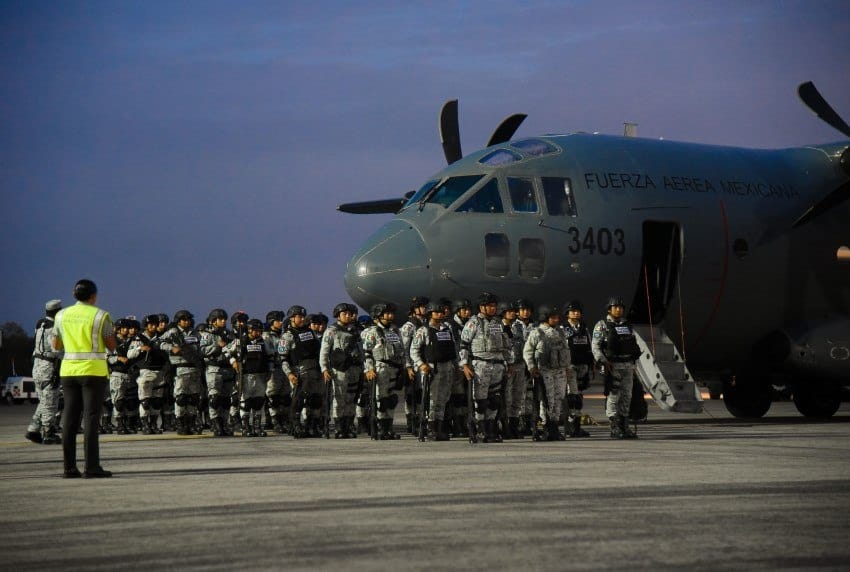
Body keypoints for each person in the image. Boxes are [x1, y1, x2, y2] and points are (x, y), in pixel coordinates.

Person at [52, 279, 116, 478]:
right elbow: (111, 344)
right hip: (93, 372)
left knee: (69, 420)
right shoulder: (100, 315)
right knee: (90, 419)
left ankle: (69, 468)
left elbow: (56, 345)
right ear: (93, 296)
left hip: (69, 372)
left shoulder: (61, 315)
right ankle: (92, 467)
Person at [459, 292, 511, 443]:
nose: (493, 309)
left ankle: (491, 429)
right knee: (480, 401)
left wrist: (510, 362)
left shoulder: (499, 323)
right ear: (482, 307)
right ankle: (480, 430)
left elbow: (506, 345)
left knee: (494, 400)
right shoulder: (473, 323)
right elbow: (464, 344)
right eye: (490, 306)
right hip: (480, 364)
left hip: (498, 365)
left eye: (494, 306)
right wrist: (464, 365)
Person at [592, 296, 641, 439]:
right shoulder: (602, 325)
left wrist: (634, 365)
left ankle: (624, 426)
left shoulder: (627, 325)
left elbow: (632, 344)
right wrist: (602, 361)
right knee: (614, 396)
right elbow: (595, 345)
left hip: (628, 365)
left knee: (627, 396)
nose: (618, 309)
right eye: (615, 307)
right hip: (612, 366)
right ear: (609, 309)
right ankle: (614, 427)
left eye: (620, 307)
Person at [410, 302, 459, 441]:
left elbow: (453, 349)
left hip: (447, 367)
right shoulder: (423, 330)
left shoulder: (446, 329)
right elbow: (414, 350)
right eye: (436, 312)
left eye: (441, 312)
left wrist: (457, 366)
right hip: (432, 368)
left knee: (443, 398)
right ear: (430, 313)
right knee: (432, 399)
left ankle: (439, 427)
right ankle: (431, 428)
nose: (439, 314)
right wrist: (421, 365)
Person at [523, 305, 570, 441]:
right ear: (545, 318)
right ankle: (546, 426)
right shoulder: (537, 333)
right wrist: (532, 367)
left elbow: (565, 349)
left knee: (558, 398)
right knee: (547, 399)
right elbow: (528, 352)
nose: (556, 320)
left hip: (559, 371)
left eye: (556, 317)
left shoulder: (561, 332)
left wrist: (566, 366)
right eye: (552, 318)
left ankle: (554, 425)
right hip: (545, 371)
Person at [361, 303, 405, 440]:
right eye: (387, 313)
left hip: (394, 368)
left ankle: (388, 428)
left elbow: (402, 350)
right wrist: (369, 369)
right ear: (378, 315)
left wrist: (402, 367)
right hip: (380, 368)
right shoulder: (372, 332)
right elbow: (366, 352)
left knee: (391, 399)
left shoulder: (395, 331)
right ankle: (380, 428)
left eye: (391, 313)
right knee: (380, 399)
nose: (390, 316)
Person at [320, 303, 363, 439]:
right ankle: (339, 427)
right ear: (338, 315)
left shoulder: (355, 331)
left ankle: (348, 425)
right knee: (339, 399)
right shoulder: (331, 331)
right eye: (345, 314)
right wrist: (324, 369)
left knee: (351, 399)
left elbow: (361, 351)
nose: (348, 316)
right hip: (339, 370)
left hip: (354, 369)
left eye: (350, 314)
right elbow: (324, 352)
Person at [159, 310, 205, 435]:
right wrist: (172, 348)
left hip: (194, 368)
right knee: (181, 397)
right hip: (180, 367)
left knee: (193, 398)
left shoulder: (195, 333)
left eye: (188, 319)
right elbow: (159, 342)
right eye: (184, 319)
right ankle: (180, 423)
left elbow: (201, 348)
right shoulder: (173, 332)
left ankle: (191, 422)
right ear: (178, 321)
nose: (187, 321)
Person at [281, 306, 324, 437]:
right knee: (298, 399)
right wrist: (289, 374)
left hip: (315, 370)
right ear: (292, 318)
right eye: (299, 316)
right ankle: (296, 426)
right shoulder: (287, 336)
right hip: (298, 371)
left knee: (315, 399)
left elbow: (318, 351)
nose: (301, 319)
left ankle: (312, 426)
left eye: (303, 316)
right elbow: (283, 359)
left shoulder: (311, 333)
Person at [26, 299, 64, 444]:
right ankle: (49, 432)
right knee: (51, 401)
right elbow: (57, 350)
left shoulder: (39, 324)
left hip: (37, 365)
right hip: (49, 366)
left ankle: (33, 429)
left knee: (44, 400)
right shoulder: (55, 327)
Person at [127, 314, 168, 434]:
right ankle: (145, 424)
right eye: (151, 324)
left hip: (159, 370)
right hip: (146, 371)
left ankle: (154, 424)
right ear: (146, 326)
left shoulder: (161, 338)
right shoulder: (138, 339)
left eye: (155, 324)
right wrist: (140, 349)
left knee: (157, 401)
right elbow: (129, 355)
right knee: (145, 400)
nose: (153, 326)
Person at [563, 300, 592, 438]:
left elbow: (589, 346)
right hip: (570, 366)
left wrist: (591, 365)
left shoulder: (584, 328)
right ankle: (570, 427)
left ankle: (576, 427)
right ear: (567, 313)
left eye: (578, 311)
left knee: (579, 396)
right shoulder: (563, 329)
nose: (576, 313)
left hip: (583, 365)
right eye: (573, 311)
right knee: (572, 397)